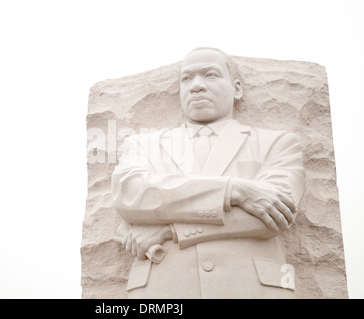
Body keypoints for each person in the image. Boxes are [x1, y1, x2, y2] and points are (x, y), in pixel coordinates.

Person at [111, 47, 305, 298]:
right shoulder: (142, 145)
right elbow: (132, 196)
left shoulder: (278, 143)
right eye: (186, 78)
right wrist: (234, 190)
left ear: (237, 88)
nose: (196, 86)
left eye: (210, 75)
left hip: (253, 288)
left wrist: (170, 230)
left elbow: (274, 216)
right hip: (164, 290)